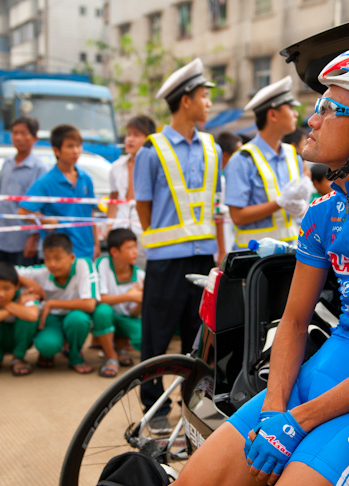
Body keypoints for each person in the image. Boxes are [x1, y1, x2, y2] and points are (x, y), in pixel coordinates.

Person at [175, 43, 349, 486]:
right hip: (324, 370)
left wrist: (299, 421)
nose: (313, 118)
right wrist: (274, 413)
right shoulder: (324, 211)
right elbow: (292, 323)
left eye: (329, 108)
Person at [133, 58, 224, 432]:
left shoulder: (212, 148)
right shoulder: (150, 151)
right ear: (185, 100)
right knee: (156, 336)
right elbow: (143, 207)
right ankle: (154, 409)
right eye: (204, 97)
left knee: (198, 338)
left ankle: (193, 405)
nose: (209, 104)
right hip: (165, 261)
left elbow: (215, 206)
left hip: (203, 258)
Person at [224, 76, 311, 249]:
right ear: (272, 114)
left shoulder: (292, 154)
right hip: (254, 258)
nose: (295, 114)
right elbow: (238, 216)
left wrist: (302, 208)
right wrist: (278, 203)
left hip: (290, 251)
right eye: (290, 107)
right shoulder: (243, 159)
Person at [16, 233, 100, 374]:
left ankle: (75, 356)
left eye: (58, 258)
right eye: (47, 259)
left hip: (74, 315)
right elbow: (8, 271)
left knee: (78, 320)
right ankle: (49, 351)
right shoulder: (42, 272)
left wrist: (52, 303)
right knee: (47, 346)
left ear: (71, 257)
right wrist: (30, 283)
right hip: (51, 319)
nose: (52, 264)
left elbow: (90, 303)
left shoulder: (83, 265)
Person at [18, 124, 99, 260]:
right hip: (59, 255)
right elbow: (22, 212)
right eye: (70, 146)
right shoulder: (46, 181)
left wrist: (96, 244)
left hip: (86, 251)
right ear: (56, 150)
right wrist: (44, 219)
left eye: (78, 145)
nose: (76, 150)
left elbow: (91, 214)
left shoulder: (86, 179)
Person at [0, 116, 48, 266]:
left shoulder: (39, 168)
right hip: (0, 236)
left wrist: (34, 237)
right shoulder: (7, 164)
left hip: (22, 240)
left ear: (34, 138)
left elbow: (39, 207)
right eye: (15, 133)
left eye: (23, 133)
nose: (18, 137)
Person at [92, 228, 144, 377]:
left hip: (125, 319)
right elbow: (98, 299)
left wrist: (140, 301)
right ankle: (111, 356)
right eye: (129, 248)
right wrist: (130, 296)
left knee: (142, 338)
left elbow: (133, 314)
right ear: (114, 252)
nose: (135, 251)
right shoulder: (102, 264)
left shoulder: (140, 275)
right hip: (105, 318)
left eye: (135, 247)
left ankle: (121, 348)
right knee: (102, 311)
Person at [107, 115, 156, 269]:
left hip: (144, 229)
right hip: (120, 227)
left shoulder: (155, 166)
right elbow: (114, 196)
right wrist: (109, 225)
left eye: (136, 135)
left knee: (145, 272)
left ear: (148, 139)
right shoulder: (116, 166)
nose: (130, 139)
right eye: (128, 134)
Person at [0, 262, 40, 376]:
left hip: (18, 338)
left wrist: (3, 304)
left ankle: (18, 357)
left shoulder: (25, 293)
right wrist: (14, 308)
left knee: (27, 318)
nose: (0, 294)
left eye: (6, 288)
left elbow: (32, 315)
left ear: (17, 285)